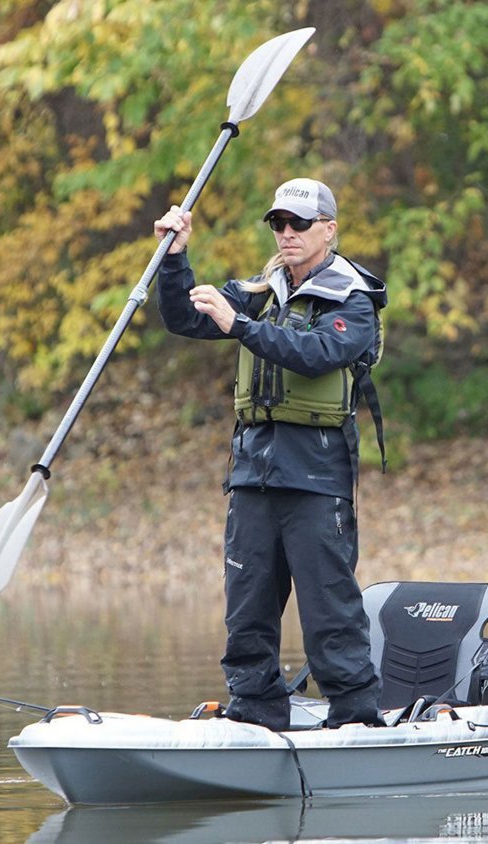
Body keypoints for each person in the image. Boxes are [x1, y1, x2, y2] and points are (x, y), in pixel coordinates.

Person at [153, 178, 386, 730]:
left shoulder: (353, 299)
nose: (287, 233)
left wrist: (240, 325)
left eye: (299, 223)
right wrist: (174, 259)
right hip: (253, 472)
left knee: (329, 608)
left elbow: (318, 352)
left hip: (317, 475)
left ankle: (355, 715)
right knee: (247, 605)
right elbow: (183, 318)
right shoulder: (258, 290)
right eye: (278, 223)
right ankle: (255, 709)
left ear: (328, 229)